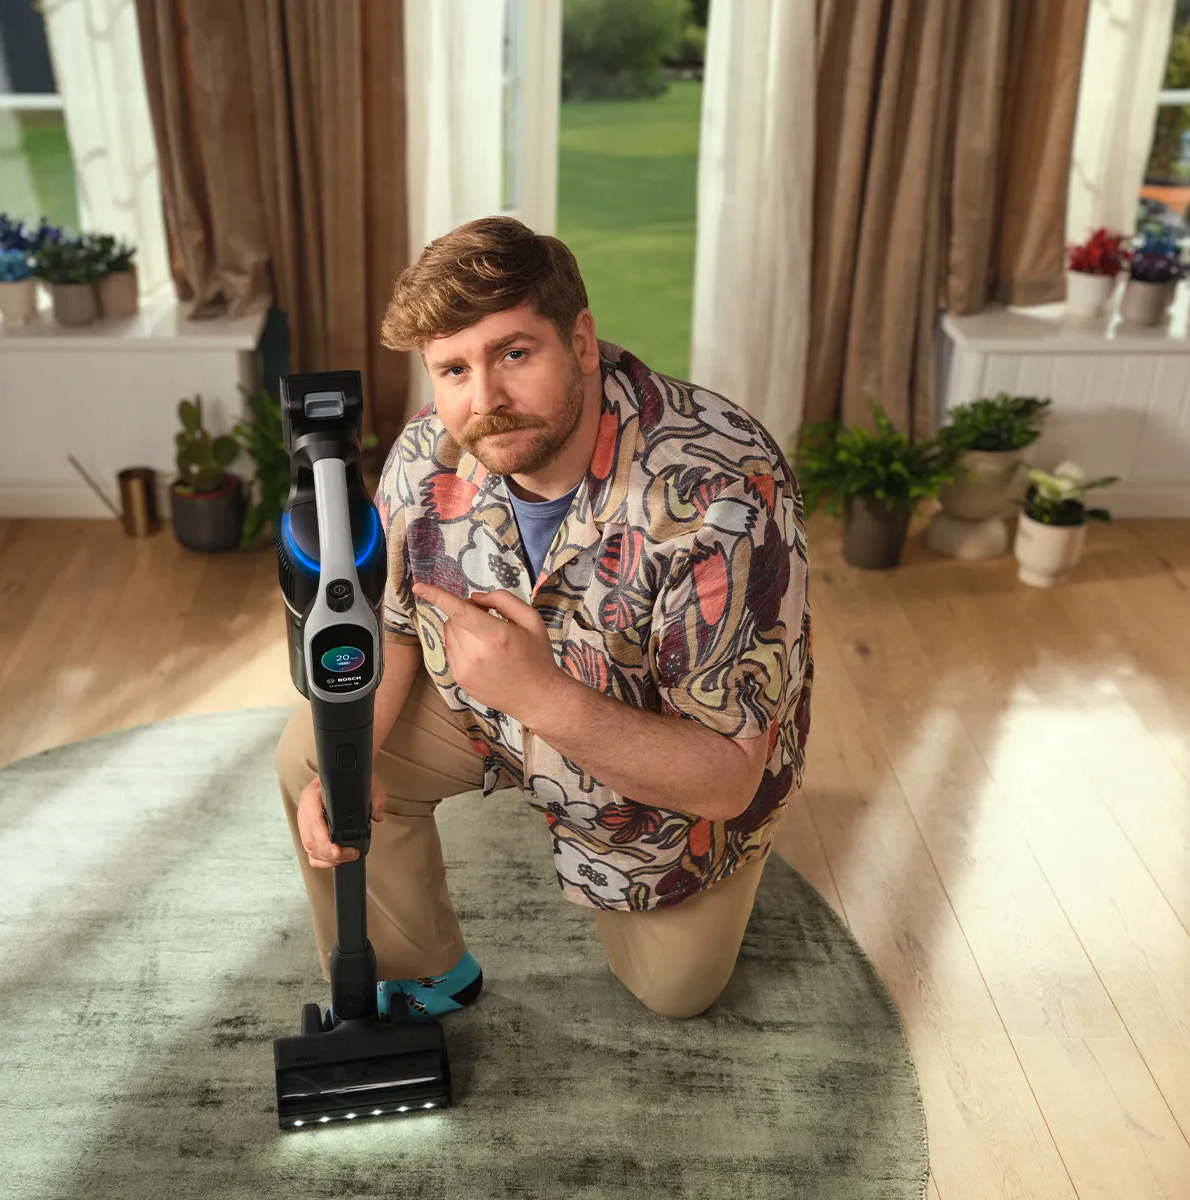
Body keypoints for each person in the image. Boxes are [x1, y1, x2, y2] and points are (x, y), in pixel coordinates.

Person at [275, 215, 812, 1024]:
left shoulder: (721, 491)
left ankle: (720, 876)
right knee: (314, 756)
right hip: (483, 702)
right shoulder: (429, 449)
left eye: (513, 354)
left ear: (583, 342)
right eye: (452, 369)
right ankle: (423, 970)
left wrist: (540, 696)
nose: (482, 400)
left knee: (673, 993)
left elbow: (727, 778)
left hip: (660, 753)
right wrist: (341, 776)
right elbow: (389, 627)